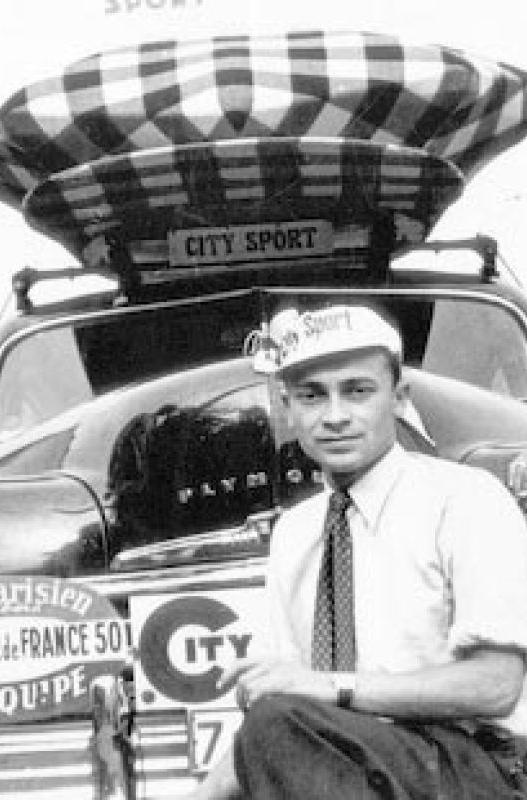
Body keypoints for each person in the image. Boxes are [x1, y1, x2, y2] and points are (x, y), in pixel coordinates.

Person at [194, 304, 527, 799]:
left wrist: (331, 688)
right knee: (272, 723)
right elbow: (285, 709)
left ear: (398, 397)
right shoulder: (295, 532)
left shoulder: (465, 499)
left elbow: (496, 685)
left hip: (472, 765)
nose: (335, 417)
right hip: (345, 766)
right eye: (311, 396)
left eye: (357, 391)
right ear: (286, 408)